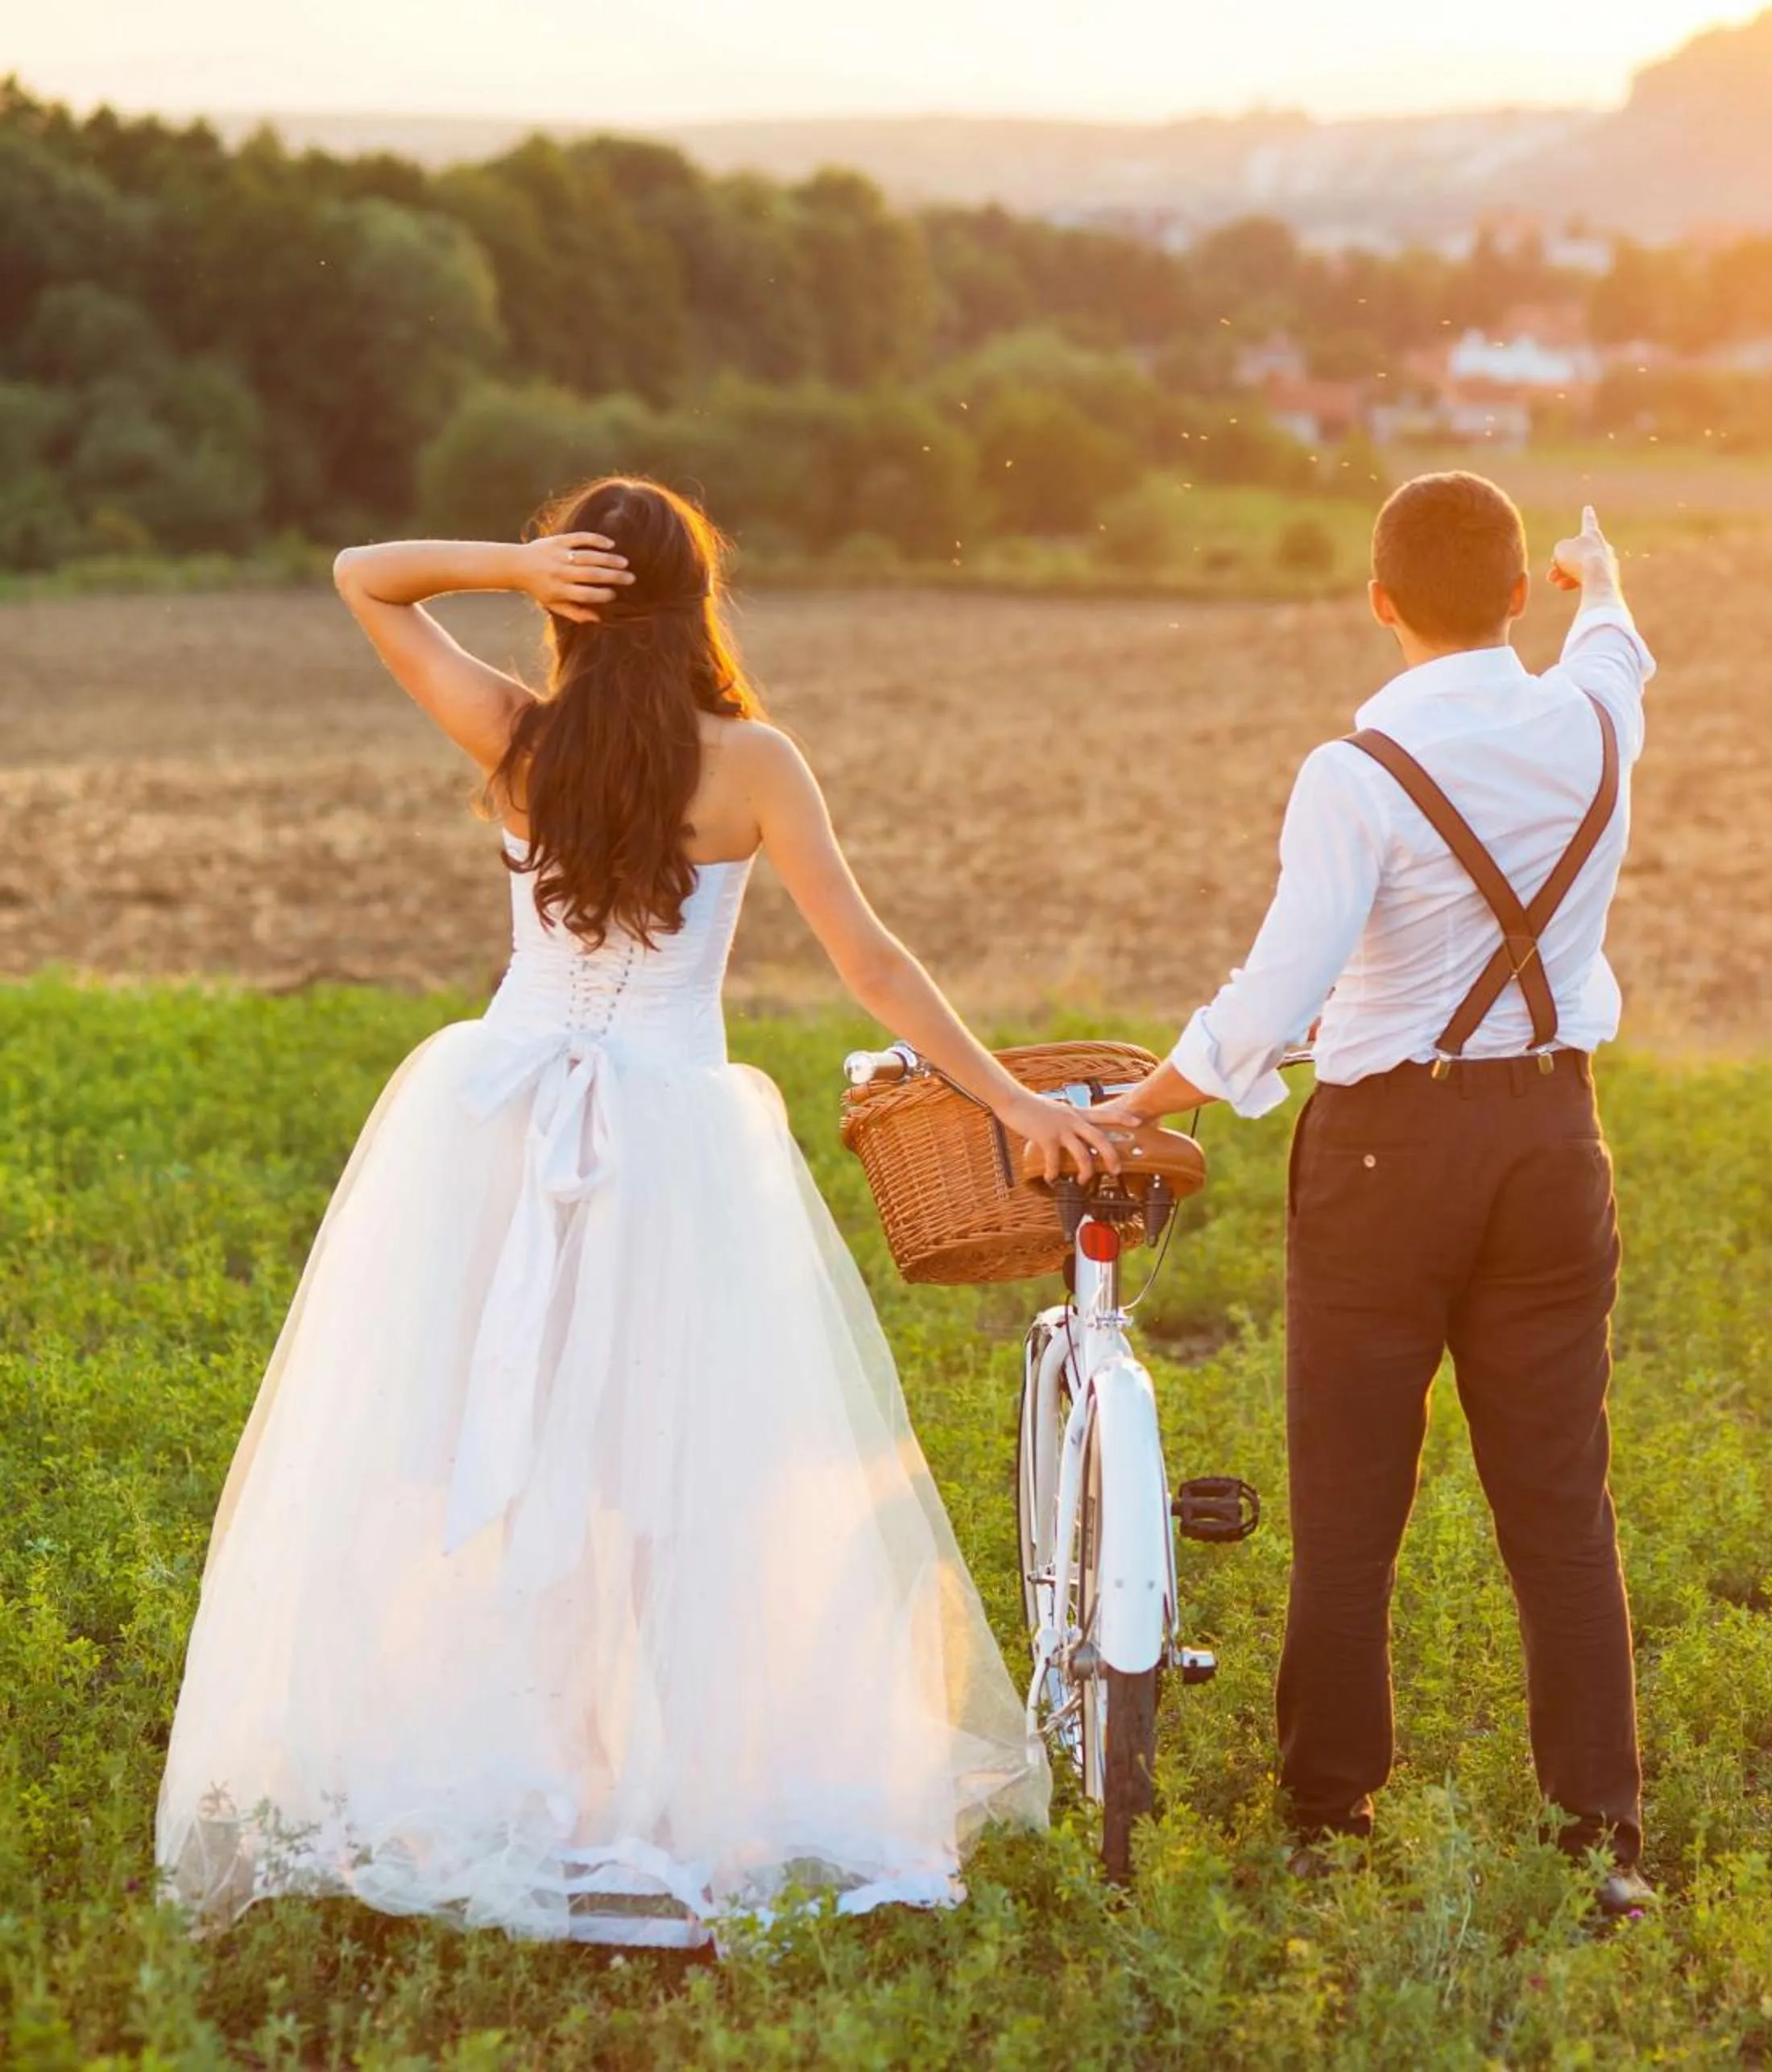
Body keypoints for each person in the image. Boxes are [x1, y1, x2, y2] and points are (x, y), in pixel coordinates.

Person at [155, 477, 1115, 1949]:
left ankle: (545, 1778)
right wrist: (1014, 1102)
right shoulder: (756, 764)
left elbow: (361, 571)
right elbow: (874, 965)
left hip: (497, 1125)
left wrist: (510, 565)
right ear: (696, 603)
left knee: (516, 1456)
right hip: (670, 1140)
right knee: (677, 1479)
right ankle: (646, 1794)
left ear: (572, 602)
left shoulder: (519, 738)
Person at [1092, 472, 1658, 1914]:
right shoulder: (1599, 718)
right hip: (1553, 1143)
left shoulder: (1355, 774)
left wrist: (1154, 1096)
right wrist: (1604, 574)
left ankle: (1327, 1816)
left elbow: (1287, 982)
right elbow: (1619, 644)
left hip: (1384, 1156)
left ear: (1379, 603)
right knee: (1560, 1507)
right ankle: (1602, 1842)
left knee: (1351, 1506)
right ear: (1522, 593)